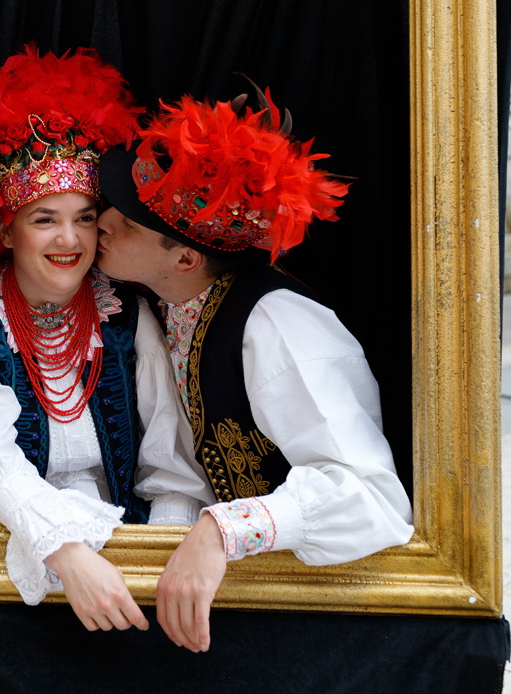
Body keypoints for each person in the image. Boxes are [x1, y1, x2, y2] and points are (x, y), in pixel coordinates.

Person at [94, 88, 414, 652]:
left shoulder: (276, 325)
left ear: (186, 259)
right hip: (233, 606)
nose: (104, 224)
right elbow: (184, 470)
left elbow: (372, 497)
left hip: (316, 622)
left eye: (129, 224)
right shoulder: (163, 308)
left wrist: (224, 530)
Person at [0, 46, 214, 633]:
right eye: (44, 219)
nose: (70, 238)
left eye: (85, 216)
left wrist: (152, 568)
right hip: (13, 562)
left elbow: (172, 468)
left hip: (130, 566)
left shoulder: (126, 314)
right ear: (7, 230)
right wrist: (67, 552)